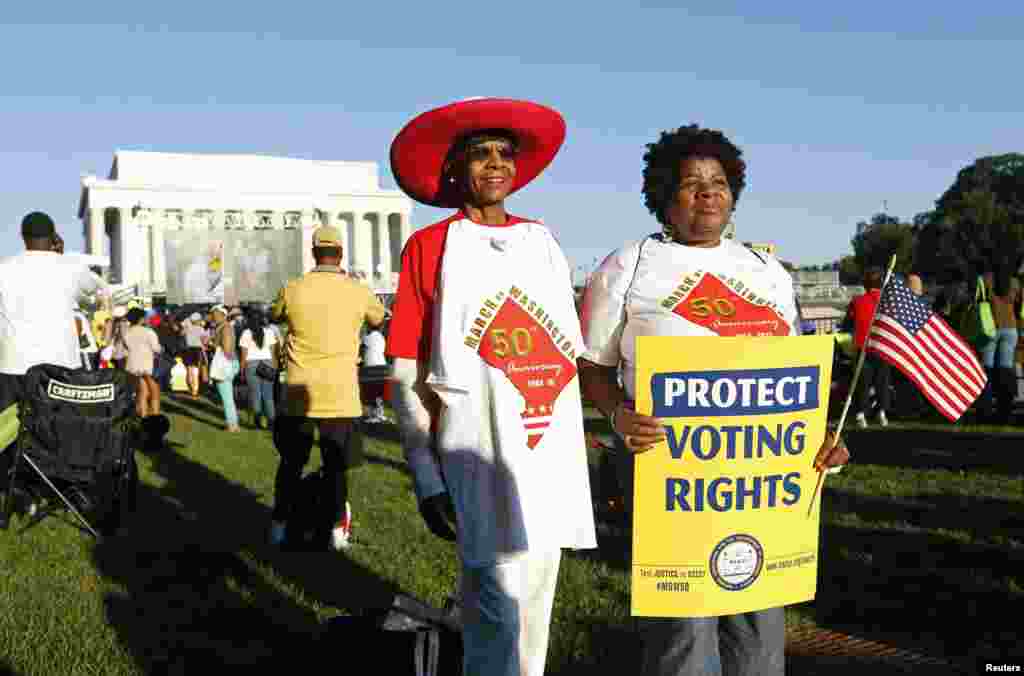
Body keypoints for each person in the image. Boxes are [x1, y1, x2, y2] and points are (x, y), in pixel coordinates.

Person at [577, 124, 849, 676]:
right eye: (691, 183)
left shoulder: (765, 271)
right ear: (663, 196)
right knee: (683, 632)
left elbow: (792, 375)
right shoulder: (628, 266)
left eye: (719, 182)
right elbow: (593, 368)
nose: (708, 193)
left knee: (759, 627)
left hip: (762, 480)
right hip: (670, 479)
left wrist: (819, 435)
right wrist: (618, 415)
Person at [386, 97, 596, 676]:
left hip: (544, 445)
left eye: (505, 153)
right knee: (493, 602)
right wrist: (426, 473)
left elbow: (567, 348)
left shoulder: (542, 241)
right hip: (473, 448)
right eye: (481, 154)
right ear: (457, 168)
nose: (496, 164)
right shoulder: (429, 247)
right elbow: (406, 370)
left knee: (538, 600)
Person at [269, 224, 387, 551]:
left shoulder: (294, 288)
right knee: (336, 469)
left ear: (313, 252)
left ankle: (280, 525)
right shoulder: (357, 290)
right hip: (340, 395)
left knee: (291, 464)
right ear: (340, 254)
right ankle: (336, 531)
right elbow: (379, 319)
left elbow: (275, 314)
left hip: (298, 393)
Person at [0, 212, 108, 410]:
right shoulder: (71, 268)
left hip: (13, 365)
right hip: (61, 365)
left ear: (23, 237)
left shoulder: (4, 269)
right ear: (54, 237)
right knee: (57, 433)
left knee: (9, 435)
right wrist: (61, 256)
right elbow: (99, 291)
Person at [844, 266, 893, 428]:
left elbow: (847, 324)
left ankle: (860, 414)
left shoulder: (857, 302)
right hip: (882, 348)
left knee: (862, 384)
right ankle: (881, 413)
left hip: (863, 347)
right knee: (882, 382)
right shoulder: (888, 304)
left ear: (865, 284)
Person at [979, 263, 1020, 423]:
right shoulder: (1015, 283)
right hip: (1010, 329)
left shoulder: (984, 280)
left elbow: (976, 301)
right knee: (1006, 370)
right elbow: (1020, 306)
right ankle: (1005, 411)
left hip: (990, 327)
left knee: (987, 371)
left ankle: (985, 410)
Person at [239, 308, 280, 429]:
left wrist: (241, 371)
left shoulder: (246, 333)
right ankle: (271, 422)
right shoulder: (270, 332)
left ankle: (257, 422)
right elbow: (273, 353)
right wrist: (275, 367)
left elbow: (243, 355)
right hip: (267, 363)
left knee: (255, 394)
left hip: (251, 364)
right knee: (268, 395)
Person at [122, 307, 163, 418]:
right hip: (147, 365)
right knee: (155, 392)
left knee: (142, 391)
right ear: (140, 319)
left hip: (133, 365)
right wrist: (161, 349)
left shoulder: (126, 333)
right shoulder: (149, 332)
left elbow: (126, 348)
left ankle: (143, 415)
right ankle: (155, 415)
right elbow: (156, 348)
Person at [209, 304, 241, 432]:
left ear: (223, 315)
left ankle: (232, 425)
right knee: (227, 396)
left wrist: (212, 344)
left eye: (215, 315)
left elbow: (227, 349)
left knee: (227, 397)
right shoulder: (223, 327)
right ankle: (233, 423)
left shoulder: (225, 328)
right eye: (213, 315)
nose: (213, 317)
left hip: (226, 363)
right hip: (229, 362)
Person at [360, 323, 387, 423]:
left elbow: (361, 350)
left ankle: (372, 415)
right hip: (382, 366)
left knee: (369, 392)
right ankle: (380, 414)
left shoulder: (367, 338)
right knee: (378, 393)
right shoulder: (381, 337)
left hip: (371, 368)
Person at [179, 312, 208, 398]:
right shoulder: (201, 329)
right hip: (197, 350)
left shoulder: (187, 328)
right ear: (198, 320)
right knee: (195, 371)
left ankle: (190, 387)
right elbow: (204, 341)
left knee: (189, 371)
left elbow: (181, 334)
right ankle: (194, 391)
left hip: (187, 350)